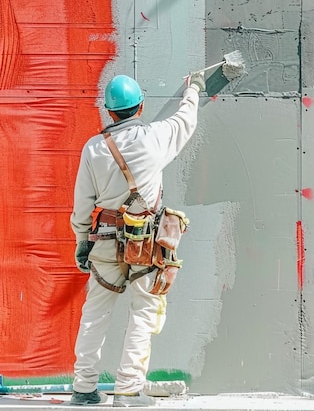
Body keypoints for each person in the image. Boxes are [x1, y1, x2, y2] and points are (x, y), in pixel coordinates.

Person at [70, 71, 205, 407]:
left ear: (109, 112)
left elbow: (82, 207)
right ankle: (128, 391)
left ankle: (84, 389)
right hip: (144, 244)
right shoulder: (155, 137)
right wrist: (194, 89)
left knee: (95, 314)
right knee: (143, 311)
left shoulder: (93, 148)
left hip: (103, 240)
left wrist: (81, 242)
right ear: (141, 107)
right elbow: (185, 120)